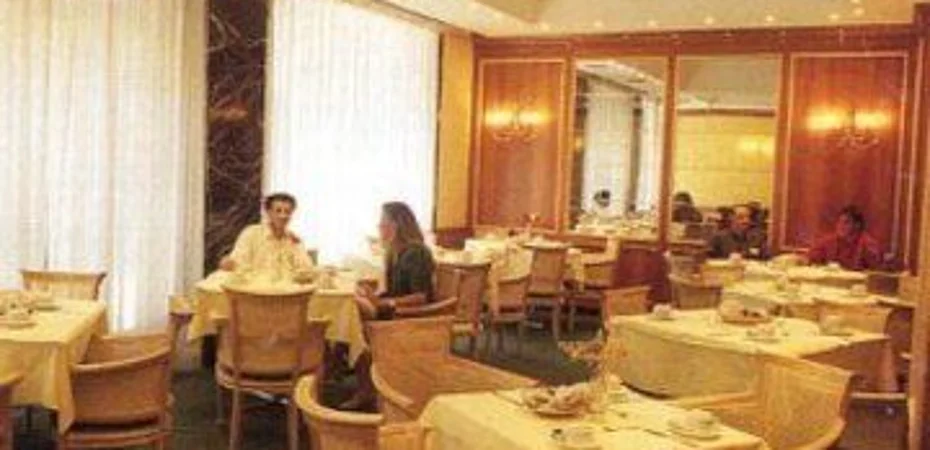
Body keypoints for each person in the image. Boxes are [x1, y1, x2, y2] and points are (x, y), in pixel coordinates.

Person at [344, 202, 435, 410]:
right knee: (353, 311)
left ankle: (365, 389)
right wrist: (375, 297)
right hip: (394, 310)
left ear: (396, 225)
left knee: (355, 322)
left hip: (410, 316)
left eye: (382, 222)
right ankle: (356, 378)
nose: (379, 226)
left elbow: (420, 297)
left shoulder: (416, 253)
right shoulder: (394, 251)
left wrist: (385, 302)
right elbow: (395, 290)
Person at [218, 192, 314, 276]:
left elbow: (307, 270)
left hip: (285, 289)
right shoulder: (251, 234)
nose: (283, 216)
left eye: (287, 212)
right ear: (268, 212)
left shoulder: (294, 240)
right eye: (278, 211)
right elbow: (236, 263)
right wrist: (228, 264)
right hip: (255, 287)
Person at [807, 205, 881, 271]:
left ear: (857, 225)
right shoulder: (829, 241)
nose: (840, 226)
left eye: (846, 222)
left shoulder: (868, 245)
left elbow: (876, 271)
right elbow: (811, 258)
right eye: (839, 222)